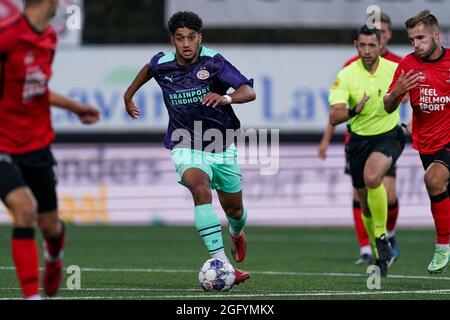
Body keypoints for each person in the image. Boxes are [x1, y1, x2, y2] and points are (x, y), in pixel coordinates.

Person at [124, 11, 255, 285]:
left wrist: (226, 98)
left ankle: (236, 233)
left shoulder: (214, 62)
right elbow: (149, 69)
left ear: (200, 38)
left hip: (221, 145)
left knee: (235, 212)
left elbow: (248, 91)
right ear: (172, 40)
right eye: (180, 38)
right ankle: (223, 264)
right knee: (200, 188)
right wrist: (128, 95)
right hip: (184, 142)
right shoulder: (163, 63)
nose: (186, 44)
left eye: (191, 38)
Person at [0, 0, 100, 299]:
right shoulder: (7, 36)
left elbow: (37, 88)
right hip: (2, 144)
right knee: (24, 209)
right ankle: (32, 296)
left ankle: (54, 257)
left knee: (51, 228)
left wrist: (74, 107)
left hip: (37, 144)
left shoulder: (48, 37)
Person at [318, 12, 402, 265]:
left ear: (381, 44)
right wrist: (354, 110)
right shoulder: (347, 73)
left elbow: (423, 98)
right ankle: (375, 252)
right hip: (357, 140)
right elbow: (334, 116)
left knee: (376, 180)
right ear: (356, 45)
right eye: (362, 45)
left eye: (372, 45)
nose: (367, 50)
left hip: (388, 135)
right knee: (363, 200)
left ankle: (382, 236)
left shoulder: (397, 68)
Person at [384, 10, 449, 274]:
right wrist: (398, 92)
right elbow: (388, 106)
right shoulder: (408, 65)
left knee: (433, 180)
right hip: (426, 144)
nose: (416, 44)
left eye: (420, 38)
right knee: (438, 187)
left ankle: (443, 246)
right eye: (412, 39)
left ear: (436, 35)